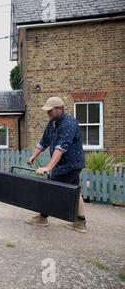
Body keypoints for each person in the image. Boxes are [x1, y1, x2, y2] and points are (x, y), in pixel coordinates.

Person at [26, 96, 87, 233]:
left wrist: (48, 167)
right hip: (66, 164)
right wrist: (33, 156)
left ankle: (42, 218)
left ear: (60, 109)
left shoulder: (70, 124)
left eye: (50, 110)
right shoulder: (52, 123)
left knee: (49, 190)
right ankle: (80, 222)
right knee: (75, 191)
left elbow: (60, 148)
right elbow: (43, 142)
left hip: (70, 164)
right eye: (47, 111)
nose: (48, 113)